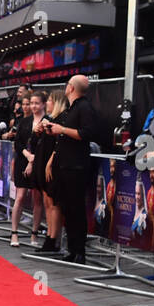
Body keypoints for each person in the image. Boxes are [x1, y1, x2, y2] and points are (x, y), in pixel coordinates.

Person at [42, 75, 99, 263]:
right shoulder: (72, 108)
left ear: (71, 88)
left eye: (67, 85)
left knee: (76, 209)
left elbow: (87, 134)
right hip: (65, 165)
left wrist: (62, 130)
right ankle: (72, 249)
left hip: (76, 167)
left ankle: (79, 251)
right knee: (68, 209)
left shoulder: (84, 108)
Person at [32, 89, 68, 252]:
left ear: (57, 102)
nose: (47, 103)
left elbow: (59, 145)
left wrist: (50, 162)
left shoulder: (62, 120)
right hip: (42, 162)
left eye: (50, 100)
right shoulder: (49, 119)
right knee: (47, 202)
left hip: (52, 165)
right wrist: (38, 131)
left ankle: (53, 239)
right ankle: (49, 236)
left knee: (53, 202)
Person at [9, 94, 41, 246]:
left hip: (39, 163)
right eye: (30, 103)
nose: (33, 106)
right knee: (20, 197)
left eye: (36, 103)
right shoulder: (24, 121)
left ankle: (34, 234)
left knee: (37, 199)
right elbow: (18, 143)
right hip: (23, 160)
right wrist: (28, 156)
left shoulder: (47, 121)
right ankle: (14, 233)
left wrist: (33, 159)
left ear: (43, 104)